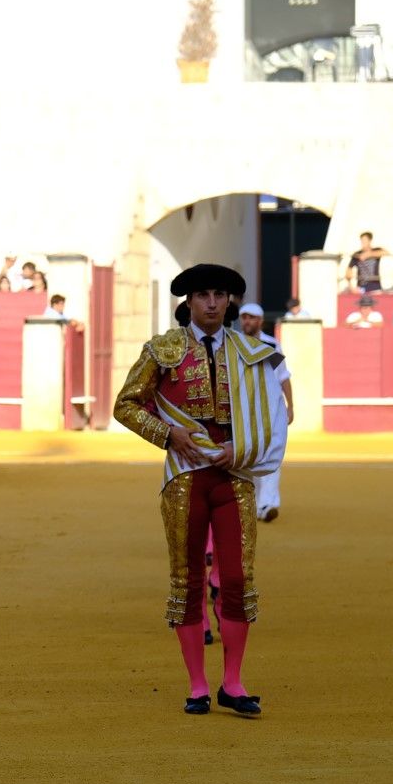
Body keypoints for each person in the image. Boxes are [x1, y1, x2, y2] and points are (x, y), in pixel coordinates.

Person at [112, 264, 288, 718]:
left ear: (229, 301)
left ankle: (233, 682)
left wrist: (242, 446)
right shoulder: (162, 350)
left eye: (219, 294)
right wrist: (170, 436)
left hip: (234, 477)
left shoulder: (252, 353)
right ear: (188, 302)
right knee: (187, 580)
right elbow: (125, 405)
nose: (212, 302)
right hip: (185, 479)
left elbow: (273, 414)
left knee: (236, 579)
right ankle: (197, 685)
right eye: (203, 294)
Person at [236, 303, 294, 522]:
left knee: (270, 454)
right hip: (242, 409)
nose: (247, 322)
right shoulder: (234, 343)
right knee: (247, 455)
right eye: (244, 318)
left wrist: (291, 406)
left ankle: (267, 503)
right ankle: (252, 503)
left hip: (269, 408)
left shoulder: (270, 345)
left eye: (251, 318)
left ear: (260, 321)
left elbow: (282, 376)